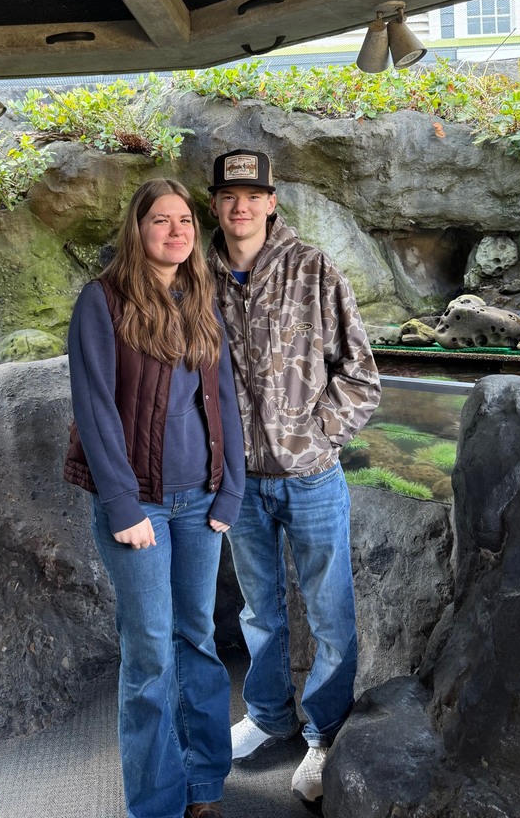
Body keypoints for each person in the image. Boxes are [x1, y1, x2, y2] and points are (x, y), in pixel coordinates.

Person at [64, 178, 245, 818]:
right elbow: (94, 410)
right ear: (137, 231)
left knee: (197, 638)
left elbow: (225, 399)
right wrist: (123, 506)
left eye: (185, 221)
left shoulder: (201, 298)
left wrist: (232, 490)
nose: (177, 231)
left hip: (201, 502)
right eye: (161, 220)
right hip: (140, 507)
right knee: (148, 652)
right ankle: (157, 802)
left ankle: (202, 785)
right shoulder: (102, 301)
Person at [206, 149, 381, 805]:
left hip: (310, 478)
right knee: (259, 610)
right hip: (240, 484)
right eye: (229, 195)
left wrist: (312, 440)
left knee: (330, 611)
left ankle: (325, 734)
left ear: (272, 201)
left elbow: (362, 379)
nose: (241, 205)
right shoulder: (199, 281)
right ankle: (270, 716)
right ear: (216, 204)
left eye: (253, 194)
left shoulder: (314, 271)